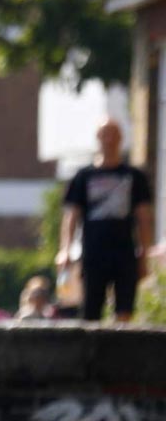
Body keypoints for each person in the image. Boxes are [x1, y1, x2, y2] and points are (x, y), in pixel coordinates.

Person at [60, 118, 154, 324]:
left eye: (114, 134)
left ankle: (119, 354)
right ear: (98, 138)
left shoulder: (134, 176)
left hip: (125, 252)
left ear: (121, 139)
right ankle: (92, 355)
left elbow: (144, 217)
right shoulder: (83, 176)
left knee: (124, 310)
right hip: (94, 253)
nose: (109, 140)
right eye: (105, 134)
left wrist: (145, 254)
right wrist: (65, 249)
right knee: (91, 312)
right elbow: (71, 215)